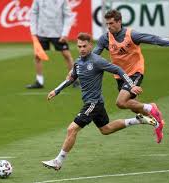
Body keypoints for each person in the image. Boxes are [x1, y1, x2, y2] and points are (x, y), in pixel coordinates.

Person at [41, 33, 159, 171]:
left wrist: (131, 85)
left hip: (93, 103)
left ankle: (58, 161)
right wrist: (56, 90)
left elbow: (118, 70)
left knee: (72, 129)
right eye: (79, 46)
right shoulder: (78, 63)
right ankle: (138, 120)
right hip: (95, 103)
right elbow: (71, 78)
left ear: (91, 45)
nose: (82, 49)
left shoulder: (97, 61)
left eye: (85, 46)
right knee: (106, 129)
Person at [93, 9, 169, 143]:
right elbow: (94, 56)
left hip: (135, 72)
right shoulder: (105, 38)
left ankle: (151, 108)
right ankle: (159, 123)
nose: (109, 26)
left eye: (111, 23)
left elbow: (153, 39)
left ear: (119, 22)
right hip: (120, 76)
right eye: (107, 24)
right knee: (134, 108)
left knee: (120, 102)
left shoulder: (132, 35)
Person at [27, 0, 79, 89]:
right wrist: (34, 32)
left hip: (58, 33)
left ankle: (74, 80)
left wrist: (65, 33)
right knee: (37, 56)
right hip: (42, 32)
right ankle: (39, 81)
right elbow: (33, 13)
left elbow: (68, 16)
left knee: (67, 55)